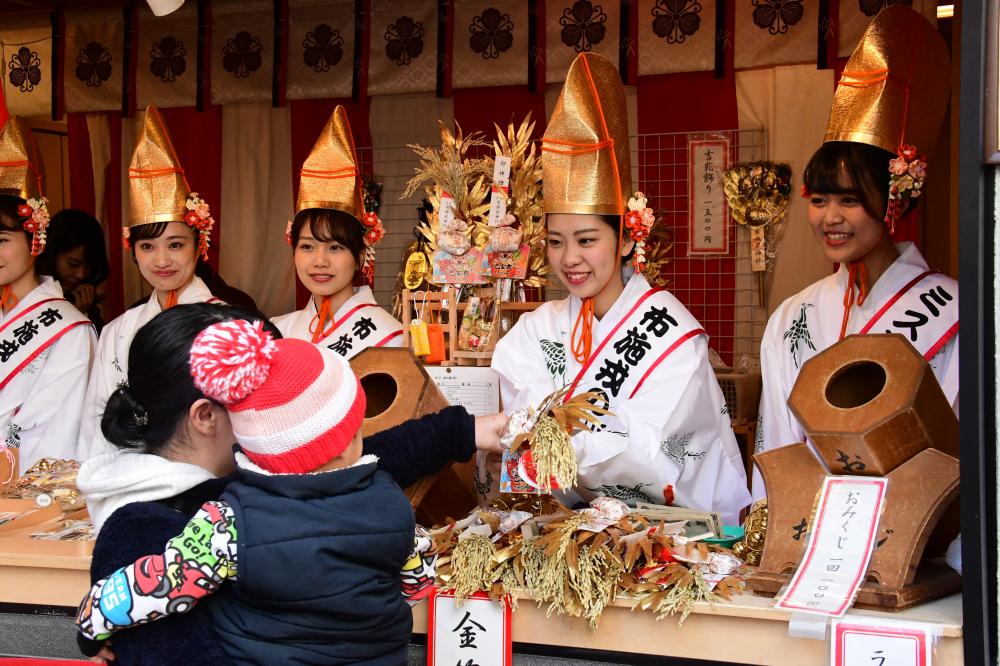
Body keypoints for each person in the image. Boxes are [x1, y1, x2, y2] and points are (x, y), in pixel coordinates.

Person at [74, 303, 505, 665]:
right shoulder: (143, 528)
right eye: (258, 391)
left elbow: (343, 467)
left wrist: (462, 432)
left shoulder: (241, 500)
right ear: (206, 415)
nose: (279, 407)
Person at [490, 53, 750, 525]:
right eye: (555, 242)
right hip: (568, 532)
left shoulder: (671, 331)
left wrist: (568, 440)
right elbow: (521, 424)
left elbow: (663, 446)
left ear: (628, 236)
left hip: (670, 532)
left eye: (587, 240)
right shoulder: (535, 330)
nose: (569, 258)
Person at [754, 6, 957, 499]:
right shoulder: (792, 317)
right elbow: (778, 445)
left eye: (850, 200)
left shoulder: (954, 311)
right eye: (819, 200)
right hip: (811, 537)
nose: (830, 218)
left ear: (894, 200)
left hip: (917, 537)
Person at [77, 106, 224, 461]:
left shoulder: (225, 323)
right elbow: (93, 427)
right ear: (133, 250)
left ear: (198, 245)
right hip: (123, 475)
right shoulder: (117, 330)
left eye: (175, 244)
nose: (161, 260)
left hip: (202, 477)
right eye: (147, 246)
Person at [0, 116, 96, 470]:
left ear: (35, 240)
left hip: (29, 491)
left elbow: (61, 428)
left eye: (2, 241)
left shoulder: (71, 329)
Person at [272, 106, 403, 358]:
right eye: (307, 246)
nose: (320, 261)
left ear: (361, 255)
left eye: (335, 247)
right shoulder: (278, 331)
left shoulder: (390, 339)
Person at [35, 208, 110, 333]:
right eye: (73, 264)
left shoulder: (84, 297)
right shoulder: (31, 293)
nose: (81, 275)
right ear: (52, 253)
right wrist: (72, 316)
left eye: (89, 267)